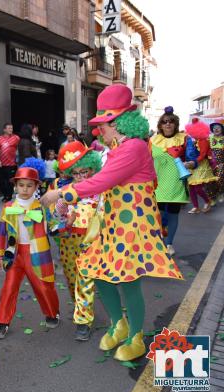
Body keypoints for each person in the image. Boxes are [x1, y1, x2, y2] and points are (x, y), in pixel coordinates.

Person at [42, 84, 183, 362]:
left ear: (118, 122)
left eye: (102, 125)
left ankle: (136, 338)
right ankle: (119, 324)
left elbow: (102, 181)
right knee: (96, 270)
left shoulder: (134, 148)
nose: (98, 131)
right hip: (112, 224)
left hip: (132, 228)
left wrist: (61, 193)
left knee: (128, 281)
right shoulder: (118, 148)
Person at [0, 160, 60, 340]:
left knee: (43, 287)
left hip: (36, 253)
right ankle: (2, 322)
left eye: (29, 186)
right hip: (15, 254)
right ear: (15, 185)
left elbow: (54, 227)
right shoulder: (8, 208)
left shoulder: (42, 207)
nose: (24, 189)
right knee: (8, 288)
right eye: (21, 185)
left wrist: (65, 225)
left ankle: (52, 313)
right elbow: (1, 232)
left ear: (36, 186)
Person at [54, 142, 102, 341]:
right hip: (68, 241)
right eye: (76, 173)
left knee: (85, 279)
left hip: (90, 241)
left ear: (92, 169)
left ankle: (83, 321)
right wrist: (63, 211)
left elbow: (105, 214)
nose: (81, 176)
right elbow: (57, 216)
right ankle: (80, 307)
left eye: (85, 171)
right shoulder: (65, 190)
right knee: (72, 278)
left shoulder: (101, 190)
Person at [149, 106, 194, 255]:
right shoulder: (153, 141)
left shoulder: (184, 139)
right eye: (165, 121)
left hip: (176, 184)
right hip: (157, 184)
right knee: (159, 215)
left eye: (171, 121)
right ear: (160, 125)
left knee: (173, 214)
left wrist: (191, 163)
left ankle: (169, 244)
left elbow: (193, 158)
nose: (168, 124)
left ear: (175, 124)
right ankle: (159, 241)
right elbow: (145, 161)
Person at [185, 118, 217, 214]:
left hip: (201, 166)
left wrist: (193, 162)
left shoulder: (203, 141)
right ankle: (196, 207)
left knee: (197, 187)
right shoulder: (195, 140)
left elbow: (202, 155)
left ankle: (208, 201)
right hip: (193, 165)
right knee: (191, 186)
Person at [0, 123, 20, 202]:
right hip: (2, 164)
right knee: (0, 180)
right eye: (9, 128)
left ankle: (8, 196)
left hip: (12, 164)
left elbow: (20, 147)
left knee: (10, 182)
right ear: (4, 130)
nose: (11, 130)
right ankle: (5, 194)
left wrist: (17, 155)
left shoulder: (16, 138)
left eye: (11, 128)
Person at [207, 119, 224, 203]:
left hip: (221, 163)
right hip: (210, 163)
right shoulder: (209, 137)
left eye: (218, 127)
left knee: (220, 179)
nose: (216, 129)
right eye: (214, 128)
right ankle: (211, 197)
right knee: (210, 181)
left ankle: (221, 193)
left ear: (221, 129)